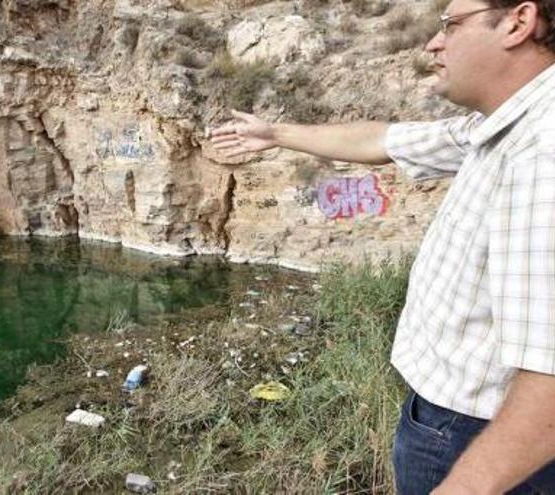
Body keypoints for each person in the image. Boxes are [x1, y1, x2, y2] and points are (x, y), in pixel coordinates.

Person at [210, 0, 555, 493]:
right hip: (459, 425)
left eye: (451, 25)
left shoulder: (543, 151)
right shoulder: (504, 124)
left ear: (519, 22)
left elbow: (550, 379)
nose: (434, 43)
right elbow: (383, 141)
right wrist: (275, 134)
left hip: (478, 439)